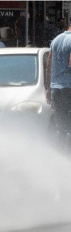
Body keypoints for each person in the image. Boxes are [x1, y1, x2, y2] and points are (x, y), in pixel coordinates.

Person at [46, 19, 71, 148]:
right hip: (69, 88)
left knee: (61, 126)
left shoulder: (56, 40)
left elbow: (49, 64)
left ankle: (60, 153)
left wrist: (49, 89)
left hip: (56, 89)